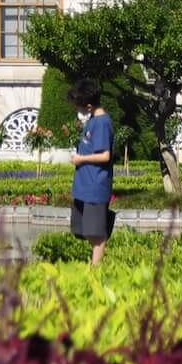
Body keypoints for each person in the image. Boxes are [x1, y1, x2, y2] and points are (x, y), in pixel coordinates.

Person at [68, 77, 116, 266]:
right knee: (82, 229)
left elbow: (105, 155)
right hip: (84, 186)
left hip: (96, 186)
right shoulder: (93, 120)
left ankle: (96, 270)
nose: (76, 109)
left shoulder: (102, 122)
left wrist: (81, 159)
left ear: (88, 106)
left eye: (77, 105)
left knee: (96, 233)